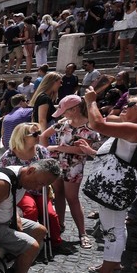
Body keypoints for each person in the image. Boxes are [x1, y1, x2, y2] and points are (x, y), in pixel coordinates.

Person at [82, 91, 137, 273]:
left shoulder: (135, 129)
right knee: (116, 225)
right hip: (120, 187)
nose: (126, 105)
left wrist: (91, 101)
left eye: (132, 104)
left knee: (111, 228)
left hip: (116, 187)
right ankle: (112, 264)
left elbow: (98, 124)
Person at [0, 122, 72, 256]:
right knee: (30, 209)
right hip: (22, 191)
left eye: (39, 132)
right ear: (22, 137)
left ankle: (55, 242)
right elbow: (3, 176)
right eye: (35, 134)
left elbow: (49, 170)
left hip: (40, 189)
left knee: (50, 213)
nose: (39, 136)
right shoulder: (9, 156)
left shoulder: (41, 151)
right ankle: (28, 244)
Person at [42, 94, 101, 250]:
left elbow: (81, 150)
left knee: (72, 198)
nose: (63, 114)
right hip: (57, 163)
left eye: (65, 111)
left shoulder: (89, 127)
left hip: (74, 166)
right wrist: (46, 153)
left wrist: (56, 148)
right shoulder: (63, 123)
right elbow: (44, 136)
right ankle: (59, 226)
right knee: (58, 195)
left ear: (74, 109)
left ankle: (82, 233)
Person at [117, 0, 137, 68]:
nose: (134, 3)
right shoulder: (126, 11)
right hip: (124, 29)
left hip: (133, 29)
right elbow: (125, 19)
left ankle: (131, 63)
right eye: (132, 2)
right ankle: (119, 64)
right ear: (129, 3)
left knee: (131, 47)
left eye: (136, 2)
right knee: (122, 48)